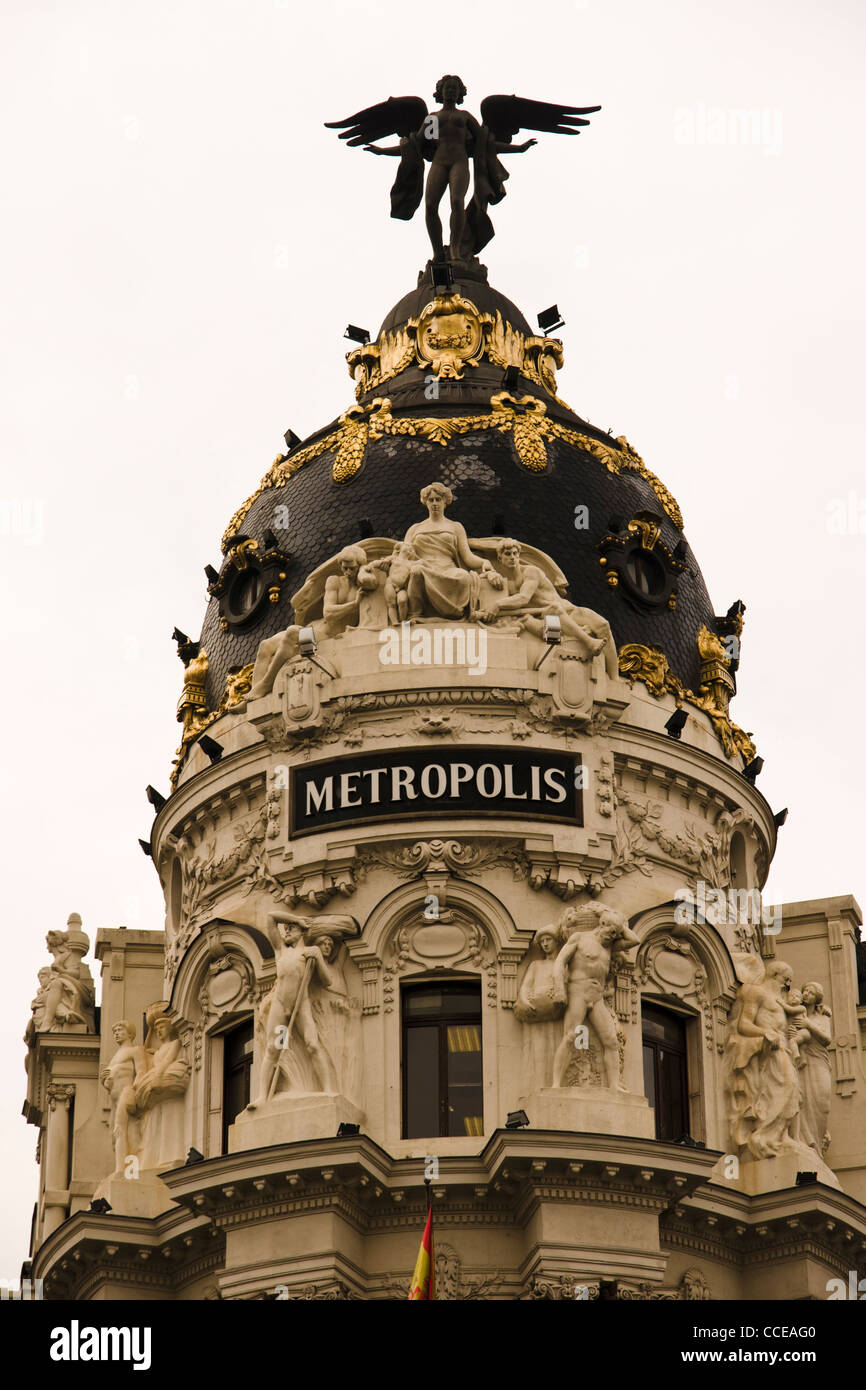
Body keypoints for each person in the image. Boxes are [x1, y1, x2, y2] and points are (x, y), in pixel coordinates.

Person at [248, 913, 352, 1106]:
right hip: (281, 1007)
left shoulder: (311, 952)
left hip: (300, 1006)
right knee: (273, 1048)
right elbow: (270, 917)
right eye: (286, 928)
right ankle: (263, 1096)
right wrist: (296, 920)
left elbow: (327, 980)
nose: (286, 930)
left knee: (312, 1044)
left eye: (291, 928)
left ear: (302, 933)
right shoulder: (281, 950)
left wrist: (318, 959)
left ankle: (329, 1089)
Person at [479, 538, 619, 678]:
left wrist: (497, 605)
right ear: (499, 558)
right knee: (553, 610)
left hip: (568, 612)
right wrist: (490, 573)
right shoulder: (507, 585)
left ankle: (615, 680)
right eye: (508, 554)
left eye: (515, 553)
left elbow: (524, 598)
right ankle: (589, 643)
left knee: (603, 625)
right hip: (549, 621)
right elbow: (482, 580)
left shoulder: (531, 572)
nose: (513, 557)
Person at [247, 546, 375, 699]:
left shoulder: (365, 587)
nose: (347, 572)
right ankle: (252, 700)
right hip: (316, 628)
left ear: (360, 566)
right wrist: (354, 605)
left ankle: (265, 685)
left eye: (352, 568)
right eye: (344, 567)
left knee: (293, 633)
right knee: (265, 646)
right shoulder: (334, 581)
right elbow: (328, 612)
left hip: (330, 636)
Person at [552, 910, 638, 1090]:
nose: (613, 936)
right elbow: (560, 961)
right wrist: (559, 988)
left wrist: (620, 926)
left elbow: (635, 940)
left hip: (597, 996)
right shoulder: (580, 938)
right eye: (611, 931)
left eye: (616, 933)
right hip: (578, 992)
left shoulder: (610, 947)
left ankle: (614, 1085)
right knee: (570, 1037)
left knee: (612, 1041)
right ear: (602, 925)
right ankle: (556, 1084)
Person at [724, 960, 801, 1159]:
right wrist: (766, 1033)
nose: (786, 985)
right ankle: (763, 1137)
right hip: (767, 1049)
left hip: (781, 1048)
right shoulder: (755, 992)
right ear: (774, 974)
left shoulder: (778, 1000)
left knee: (793, 1094)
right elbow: (744, 1025)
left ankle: (775, 1137)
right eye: (785, 980)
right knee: (786, 1088)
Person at [401, 482, 502, 618]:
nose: (435, 503)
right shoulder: (415, 528)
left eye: (438, 499)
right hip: (424, 567)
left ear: (445, 502)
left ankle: (455, 611)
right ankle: (414, 615)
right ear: (426, 503)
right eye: (431, 500)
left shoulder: (455, 527)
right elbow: (402, 556)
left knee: (463, 576)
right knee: (416, 571)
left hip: (448, 569)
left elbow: (467, 557)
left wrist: (484, 562)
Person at [100, 1020, 149, 1172]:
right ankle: (125, 1168)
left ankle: (123, 1170)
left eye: (120, 1030)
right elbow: (111, 1082)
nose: (116, 1034)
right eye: (115, 1031)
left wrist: (136, 1092)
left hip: (127, 1092)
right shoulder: (116, 1056)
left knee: (121, 1130)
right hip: (115, 1097)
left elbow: (141, 1071)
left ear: (130, 1033)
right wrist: (105, 1082)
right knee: (115, 1135)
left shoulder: (135, 1050)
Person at [795, 981, 833, 1155]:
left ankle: (818, 1144)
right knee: (803, 1101)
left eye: (810, 992)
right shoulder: (797, 1015)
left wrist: (808, 1025)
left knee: (821, 1104)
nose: (806, 994)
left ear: (816, 997)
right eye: (805, 991)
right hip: (802, 1064)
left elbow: (827, 1039)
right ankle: (809, 1145)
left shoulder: (822, 1018)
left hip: (819, 1063)